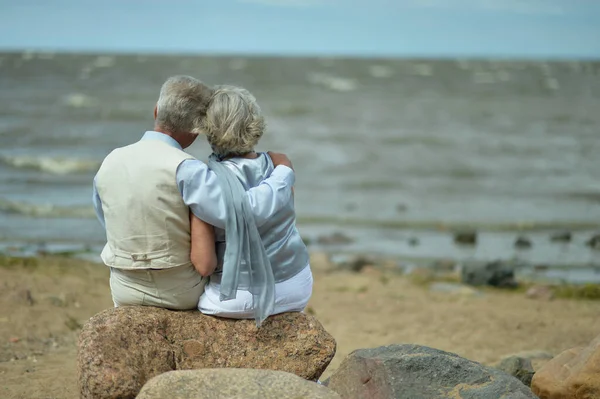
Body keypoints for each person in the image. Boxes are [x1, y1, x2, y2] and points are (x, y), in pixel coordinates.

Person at [92, 75, 295, 310]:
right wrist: (282, 172)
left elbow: (107, 218)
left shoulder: (111, 160)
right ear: (197, 129)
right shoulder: (188, 168)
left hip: (123, 287)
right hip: (179, 291)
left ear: (156, 110)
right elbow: (242, 211)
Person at [192, 85, 312, 326]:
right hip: (295, 288)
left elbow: (205, 265)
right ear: (255, 124)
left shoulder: (206, 185)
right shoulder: (280, 168)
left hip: (232, 300)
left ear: (208, 129)